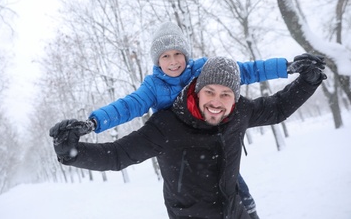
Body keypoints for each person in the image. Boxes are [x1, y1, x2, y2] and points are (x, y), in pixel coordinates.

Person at [50, 55, 326, 219]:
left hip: (234, 211)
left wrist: (308, 81)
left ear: (235, 98)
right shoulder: (166, 125)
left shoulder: (238, 113)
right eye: (210, 92)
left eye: (226, 94)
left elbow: (277, 108)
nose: (216, 102)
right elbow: (118, 155)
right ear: (196, 90)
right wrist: (70, 152)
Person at [82, 21, 289, 218]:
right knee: (188, 196)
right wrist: (95, 122)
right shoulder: (153, 87)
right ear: (157, 60)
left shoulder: (204, 69)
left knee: (231, 184)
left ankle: (250, 211)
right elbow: (129, 106)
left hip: (213, 140)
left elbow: (245, 71)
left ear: (186, 54)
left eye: (177, 54)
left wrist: (285, 67)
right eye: (165, 56)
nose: (173, 61)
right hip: (180, 151)